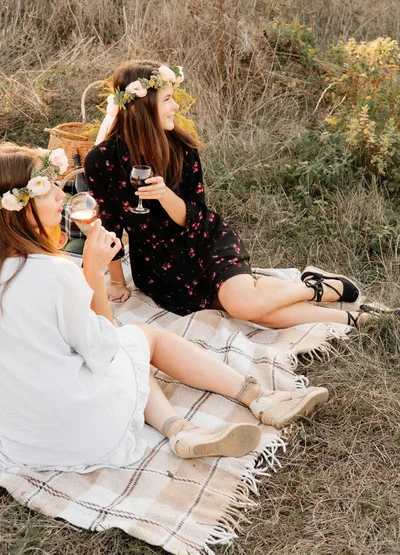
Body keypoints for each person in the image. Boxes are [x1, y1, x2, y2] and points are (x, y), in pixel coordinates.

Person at [0, 143, 330, 472]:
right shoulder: (57, 273)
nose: (61, 195)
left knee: (133, 349)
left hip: (22, 439)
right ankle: (259, 398)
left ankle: (180, 430)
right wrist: (92, 274)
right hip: (78, 436)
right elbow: (104, 353)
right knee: (142, 338)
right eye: (48, 190)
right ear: (19, 207)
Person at [85, 60, 368, 330]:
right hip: (159, 269)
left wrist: (164, 194)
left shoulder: (181, 148)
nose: (176, 106)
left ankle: (316, 291)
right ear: (141, 109)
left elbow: (196, 217)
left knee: (245, 304)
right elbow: (110, 224)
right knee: (250, 308)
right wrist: (118, 282)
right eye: (167, 100)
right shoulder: (101, 160)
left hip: (204, 244)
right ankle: (344, 312)